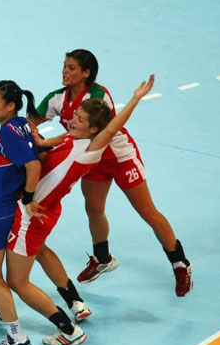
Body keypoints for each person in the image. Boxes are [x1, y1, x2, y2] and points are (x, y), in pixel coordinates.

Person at [5, 75, 156, 345]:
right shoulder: (70, 138)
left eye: (81, 120)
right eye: (76, 115)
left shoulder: (89, 149)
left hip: (33, 214)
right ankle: (75, 302)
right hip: (35, 209)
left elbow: (110, 130)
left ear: (94, 129)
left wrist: (135, 98)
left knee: (16, 280)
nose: (74, 121)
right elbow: (42, 144)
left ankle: (68, 330)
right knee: (39, 252)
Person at [30, 50, 192, 296]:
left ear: (86, 73)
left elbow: (96, 134)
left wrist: (44, 142)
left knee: (147, 212)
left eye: (71, 68)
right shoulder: (56, 98)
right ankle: (103, 258)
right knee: (94, 210)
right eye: (64, 66)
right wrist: (3, 141)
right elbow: (28, 124)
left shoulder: (97, 96)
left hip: (119, 157)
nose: (65, 71)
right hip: (92, 161)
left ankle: (180, 264)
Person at [0, 80, 87, 345]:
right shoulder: (19, 124)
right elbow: (38, 147)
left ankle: (16, 337)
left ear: (10, 106)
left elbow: (33, 164)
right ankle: (2, 304)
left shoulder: (10, 132)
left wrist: (29, 198)